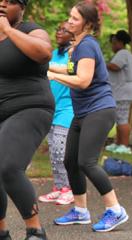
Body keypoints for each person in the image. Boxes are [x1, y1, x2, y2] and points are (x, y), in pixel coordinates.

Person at [47, 1, 128, 232]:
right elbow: (73, 69)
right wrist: (49, 65)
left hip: (99, 110)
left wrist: (52, 75)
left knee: (87, 162)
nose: (68, 21)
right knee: (70, 160)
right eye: (69, 17)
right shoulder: (79, 44)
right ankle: (81, 211)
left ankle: (116, 210)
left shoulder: (87, 45)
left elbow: (83, 80)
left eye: (75, 19)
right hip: (82, 112)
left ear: (88, 24)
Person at [0, 0, 54, 239]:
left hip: (30, 107)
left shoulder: (31, 30)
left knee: (9, 166)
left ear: (22, 8)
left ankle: (35, 230)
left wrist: (8, 31)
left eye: (10, 1)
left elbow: (43, 53)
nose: (2, 4)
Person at [38, 21, 75, 206]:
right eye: (58, 29)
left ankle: (69, 189)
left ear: (73, 34)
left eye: (64, 30)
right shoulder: (52, 54)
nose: (59, 32)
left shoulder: (74, 55)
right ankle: (59, 187)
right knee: (53, 151)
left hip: (68, 108)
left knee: (62, 150)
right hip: (51, 108)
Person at [105, 29, 132, 154]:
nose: (113, 46)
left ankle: (124, 145)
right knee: (119, 118)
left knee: (122, 118)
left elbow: (115, 66)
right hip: (122, 91)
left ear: (120, 42)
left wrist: (102, 64)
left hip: (124, 91)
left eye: (114, 43)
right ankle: (118, 143)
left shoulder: (123, 53)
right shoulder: (125, 54)